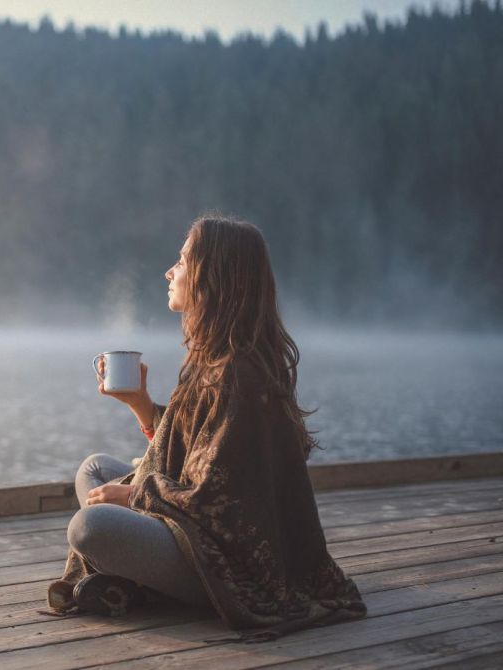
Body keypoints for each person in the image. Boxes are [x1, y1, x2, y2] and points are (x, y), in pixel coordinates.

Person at [43, 214, 367, 643]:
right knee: (96, 469)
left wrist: (136, 494)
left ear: (212, 276)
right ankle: (132, 576)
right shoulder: (215, 358)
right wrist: (141, 405)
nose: (169, 271)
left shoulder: (240, 373)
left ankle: (141, 582)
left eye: (181, 260)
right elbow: (193, 452)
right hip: (198, 530)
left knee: (91, 528)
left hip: (233, 565)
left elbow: (219, 500)